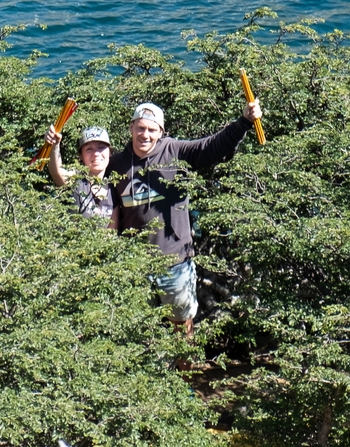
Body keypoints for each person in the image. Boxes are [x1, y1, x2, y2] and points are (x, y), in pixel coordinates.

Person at [108, 100, 262, 336]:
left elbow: (212, 147)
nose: (145, 135)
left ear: (161, 132)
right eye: (140, 128)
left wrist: (244, 122)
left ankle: (185, 372)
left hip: (175, 262)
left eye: (151, 129)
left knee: (181, 329)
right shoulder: (116, 164)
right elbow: (84, 179)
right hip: (133, 264)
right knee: (138, 331)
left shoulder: (175, 152)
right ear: (131, 128)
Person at [43, 125, 119, 230]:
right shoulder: (76, 179)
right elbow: (57, 172)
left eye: (101, 147)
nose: (96, 153)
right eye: (89, 149)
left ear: (110, 152)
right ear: (81, 156)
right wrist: (54, 146)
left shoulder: (113, 190)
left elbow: (112, 234)